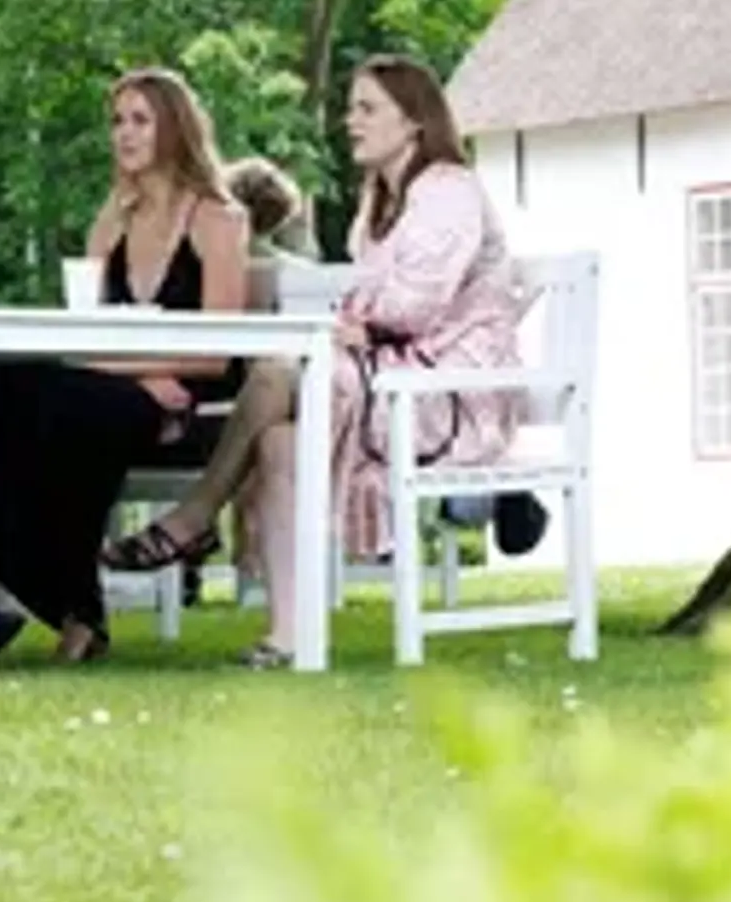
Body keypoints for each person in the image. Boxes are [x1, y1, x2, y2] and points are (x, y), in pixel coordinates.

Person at [105, 55, 527, 669]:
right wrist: (352, 322)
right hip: (389, 375)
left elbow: (416, 304)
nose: (350, 121)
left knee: (278, 371)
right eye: (351, 108)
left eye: (367, 109)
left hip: (449, 392)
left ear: (414, 120)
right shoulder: (380, 198)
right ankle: (288, 635)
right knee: (278, 440)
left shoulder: (447, 189)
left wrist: (354, 321)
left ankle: (197, 513)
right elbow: (374, 306)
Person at [0, 68, 251, 663]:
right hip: (122, 388)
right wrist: (138, 373)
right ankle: (54, 592)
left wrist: (132, 373)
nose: (124, 134)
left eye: (140, 120)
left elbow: (218, 351)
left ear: (174, 129)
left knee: (76, 409)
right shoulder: (114, 219)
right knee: (10, 386)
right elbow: (84, 332)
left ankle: (68, 603)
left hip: (190, 402)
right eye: (117, 121)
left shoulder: (217, 217)